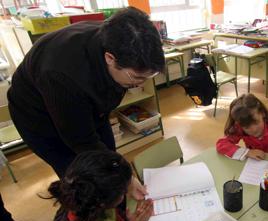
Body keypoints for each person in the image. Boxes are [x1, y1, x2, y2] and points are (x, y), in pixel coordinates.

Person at [7, 7, 165, 196]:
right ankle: (94, 216)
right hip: (39, 117)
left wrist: (119, 173)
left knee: (109, 161)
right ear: (110, 58)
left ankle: (116, 205)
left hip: (83, 103)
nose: (142, 82)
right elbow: (82, 141)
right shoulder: (62, 73)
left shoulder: (119, 36)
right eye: (137, 78)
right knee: (80, 180)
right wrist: (126, 177)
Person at [44, 150, 153, 221]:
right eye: (124, 191)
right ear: (106, 201)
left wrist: (125, 219)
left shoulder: (80, 197)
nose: (125, 194)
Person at [216, 93, 268, 167]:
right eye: (246, 127)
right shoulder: (239, 127)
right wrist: (248, 152)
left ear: (262, 113)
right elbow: (221, 144)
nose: (253, 130)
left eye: (256, 123)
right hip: (255, 164)